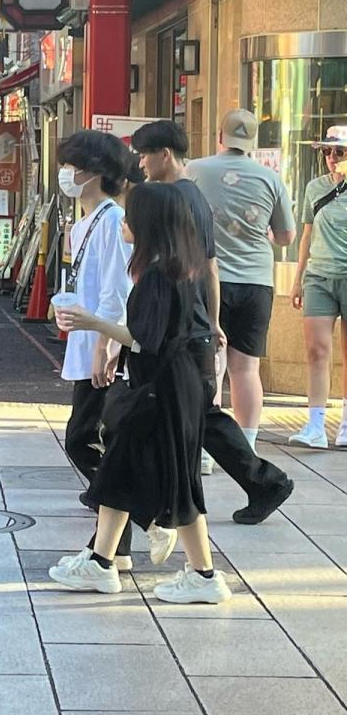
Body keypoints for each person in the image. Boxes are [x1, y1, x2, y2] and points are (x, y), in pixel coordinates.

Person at [51, 183, 232, 604]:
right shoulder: (179, 269)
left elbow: (143, 339)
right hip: (171, 387)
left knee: (173, 482)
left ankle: (202, 575)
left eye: (131, 217)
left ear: (149, 225)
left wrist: (92, 323)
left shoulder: (157, 276)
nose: (124, 223)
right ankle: (103, 563)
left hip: (162, 391)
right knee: (121, 473)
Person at [133, 120, 294, 523]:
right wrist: (213, 321)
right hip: (195, 319)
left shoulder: (182, 196)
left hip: (184, 322)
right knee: (199, 412)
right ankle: (256, 483)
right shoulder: (190, 195)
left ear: (164, 155)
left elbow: (206, 266)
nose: (141, 163)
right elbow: (210, 266)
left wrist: (211, 322)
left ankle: (254, 484)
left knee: (195, 412)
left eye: (145, 155)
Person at [186, 110, 296, 455]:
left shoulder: (195, 170)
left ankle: (206, 450)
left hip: (207, 280)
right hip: (256, 282)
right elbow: (286, 236)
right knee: (246, 368)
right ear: (252, 141)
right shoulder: (270, 178)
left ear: (220, 136)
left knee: (210, 365)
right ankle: (246, 448)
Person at [55, 130, 142, 565]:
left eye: (70, 166)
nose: (65, 174)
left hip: (104, 348)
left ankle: (141, 514)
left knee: (83, 439)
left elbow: (116, 289)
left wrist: (104, 346)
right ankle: (119, 540)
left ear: (92, 172)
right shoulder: (83, 223)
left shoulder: (112, 220)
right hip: (87, 341)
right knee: (91, 439)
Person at [289, 124, 347, 448]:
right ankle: (315, 426)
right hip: (318, 277)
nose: (332, 157)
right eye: (327, 151)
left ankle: (346, 424)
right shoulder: (315, 187)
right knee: (316, 350)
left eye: (339, 151)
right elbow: (306, 235)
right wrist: (298, 278)